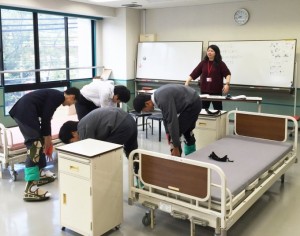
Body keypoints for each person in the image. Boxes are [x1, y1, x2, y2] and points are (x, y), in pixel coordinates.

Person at [9, 87, 80, 201]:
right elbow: (46, 119)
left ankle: (40, 172)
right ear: (72, 97)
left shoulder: (56, 96)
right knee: (35, 146)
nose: (70, 105)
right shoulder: (57, 97)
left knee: (39, 142)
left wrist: (46, 138)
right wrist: (48, 138)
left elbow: (45, 118)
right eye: (73, 103)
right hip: (24, 112)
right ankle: (30, 190)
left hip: (27, 111)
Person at [133, 84, 202, 157]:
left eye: (144, 110)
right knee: (184, 132)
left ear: (147, 103)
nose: (147, 112)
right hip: (192, 101)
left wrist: (175, 146)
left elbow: (172, 120)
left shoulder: (162, 99)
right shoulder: (157, 96)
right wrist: (167, 133)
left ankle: (177, 158)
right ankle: (190, 157)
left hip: (193, 104)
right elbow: (166, 117)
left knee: (177, 132)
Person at [59, 107, 138, 158]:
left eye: (72, 142)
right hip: (129, 119)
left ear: (73, 133)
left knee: (105, 154)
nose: (76, 143)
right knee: (133, 154)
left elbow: (90, 151)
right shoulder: (85, 122)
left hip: (121, 125)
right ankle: (141, 179)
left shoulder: (82, 129)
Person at [185, 44, 231, 110]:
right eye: (208, 51)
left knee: (218, 110)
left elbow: (227, 74)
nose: (209, 52)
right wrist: (187, 81)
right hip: (204, 91)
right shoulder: (203, 63)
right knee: (203, 110)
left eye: (212, 51)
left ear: (216, 53)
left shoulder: (220, 63)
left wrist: (227, 84)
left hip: (216, 91)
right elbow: (195, 72)